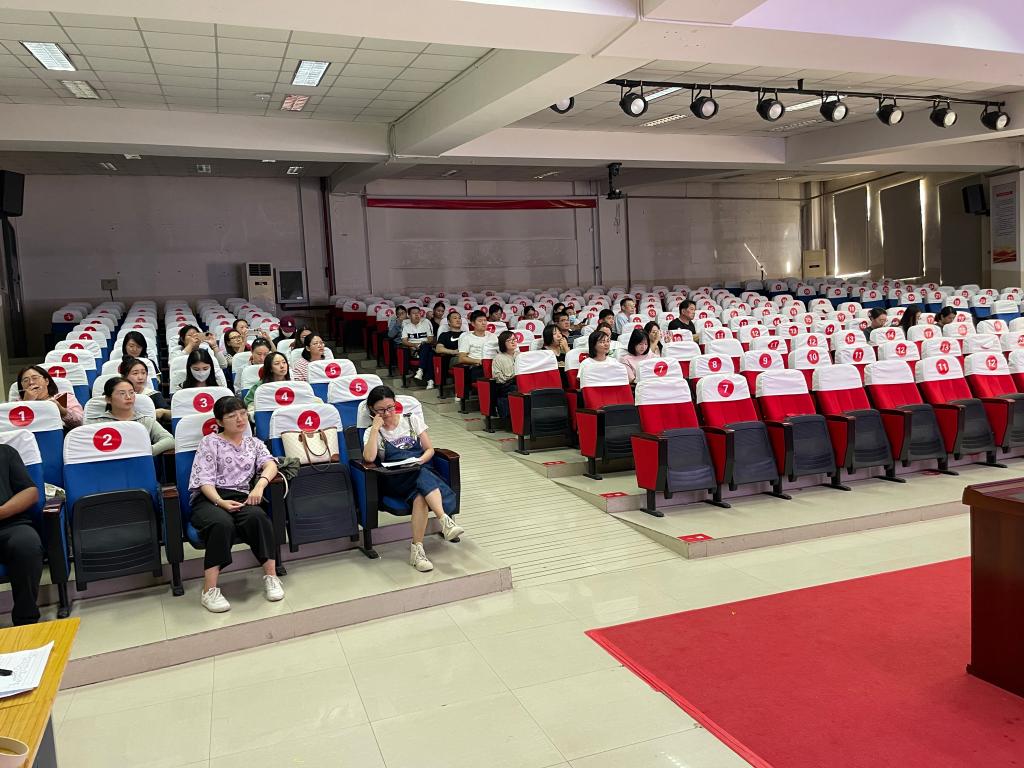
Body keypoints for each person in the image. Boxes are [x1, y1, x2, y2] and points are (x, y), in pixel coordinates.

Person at [188, 395, 283, 612]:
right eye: (232, 416)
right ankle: (209, 590)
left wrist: (259, 486)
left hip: (241, 495)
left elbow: (270, 465)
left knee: (258, 517)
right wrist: (220, 501)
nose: (240, 419)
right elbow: (204, 480)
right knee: (221, 524)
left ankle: (271, 577)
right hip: (210, 498)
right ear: (219, 421)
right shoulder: (210, 442)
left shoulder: (253, 443)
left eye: (242, 414)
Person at [361, 385, 464, 572]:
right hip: (395, 479)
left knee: (420, 494)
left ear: (395, 404)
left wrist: (420, 460)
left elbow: (429, 449)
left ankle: (418, 551)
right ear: (372, 410)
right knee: (422, 475)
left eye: (390, 407)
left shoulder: (411, 420)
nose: (387, 413)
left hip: (419, 471)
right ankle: (444, 520)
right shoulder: (371, 432)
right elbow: (369, 458)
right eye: (381, 410)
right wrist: (375, 429)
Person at [0, 444, 43, 625]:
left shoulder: (5, 452)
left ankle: (26, 619)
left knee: (27, 544)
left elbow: (30, 493)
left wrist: (1, 512)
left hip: (9, 525)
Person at [92, 377, 175, 455]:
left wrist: (148, 451)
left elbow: (170, 440)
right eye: (122, 393)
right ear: (108, 399)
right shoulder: (98, 422)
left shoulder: (145, 420)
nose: (128, 397)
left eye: (131, 393)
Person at [16, 365, 83, 430]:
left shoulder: (62, 398)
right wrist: (26, 403)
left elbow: (79, 423)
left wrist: (62, 411)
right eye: (25, 380)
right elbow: (13, 428)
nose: (31, 382)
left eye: (35, 378)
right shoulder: (17, 404)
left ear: (46, 381)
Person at [119, 356, 170, 423]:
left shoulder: (153, 394)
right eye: (135, 373)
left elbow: (170, 414)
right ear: (124, 376)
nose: (140, 377)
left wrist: (163, 412)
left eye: (143, 373)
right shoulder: (116, 395)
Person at [457, 311, 494, 391]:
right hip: (477, 367)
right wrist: (479, 361)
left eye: (485, 320)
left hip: (493, 365)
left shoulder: (492, 336)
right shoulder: (467, 338)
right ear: (473, 324)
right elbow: (461, 358)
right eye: (480, 321)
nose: (484, 323)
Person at [403, 306, 435, 386]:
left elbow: (430, 338)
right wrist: (414, 345)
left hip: (425, 346)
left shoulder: (425, 324)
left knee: (426, 347)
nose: (417, 315)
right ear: (409, 316)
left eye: (418, 313)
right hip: (414, 350)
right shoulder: (406, 326)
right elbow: (404, 341)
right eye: (414, 313)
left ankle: (421, 370)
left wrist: (423, 343)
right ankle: (430, 380)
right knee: (430, 354)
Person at [492, 330, 518, 420]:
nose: (513, 342)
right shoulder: (498, 358)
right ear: (503, 343)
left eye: (514, 339)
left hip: (519, 382)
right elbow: (498, 378)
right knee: (515, 388)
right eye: (509, 340)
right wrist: (512, 377)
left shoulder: (521, 355)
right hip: (505, 385)